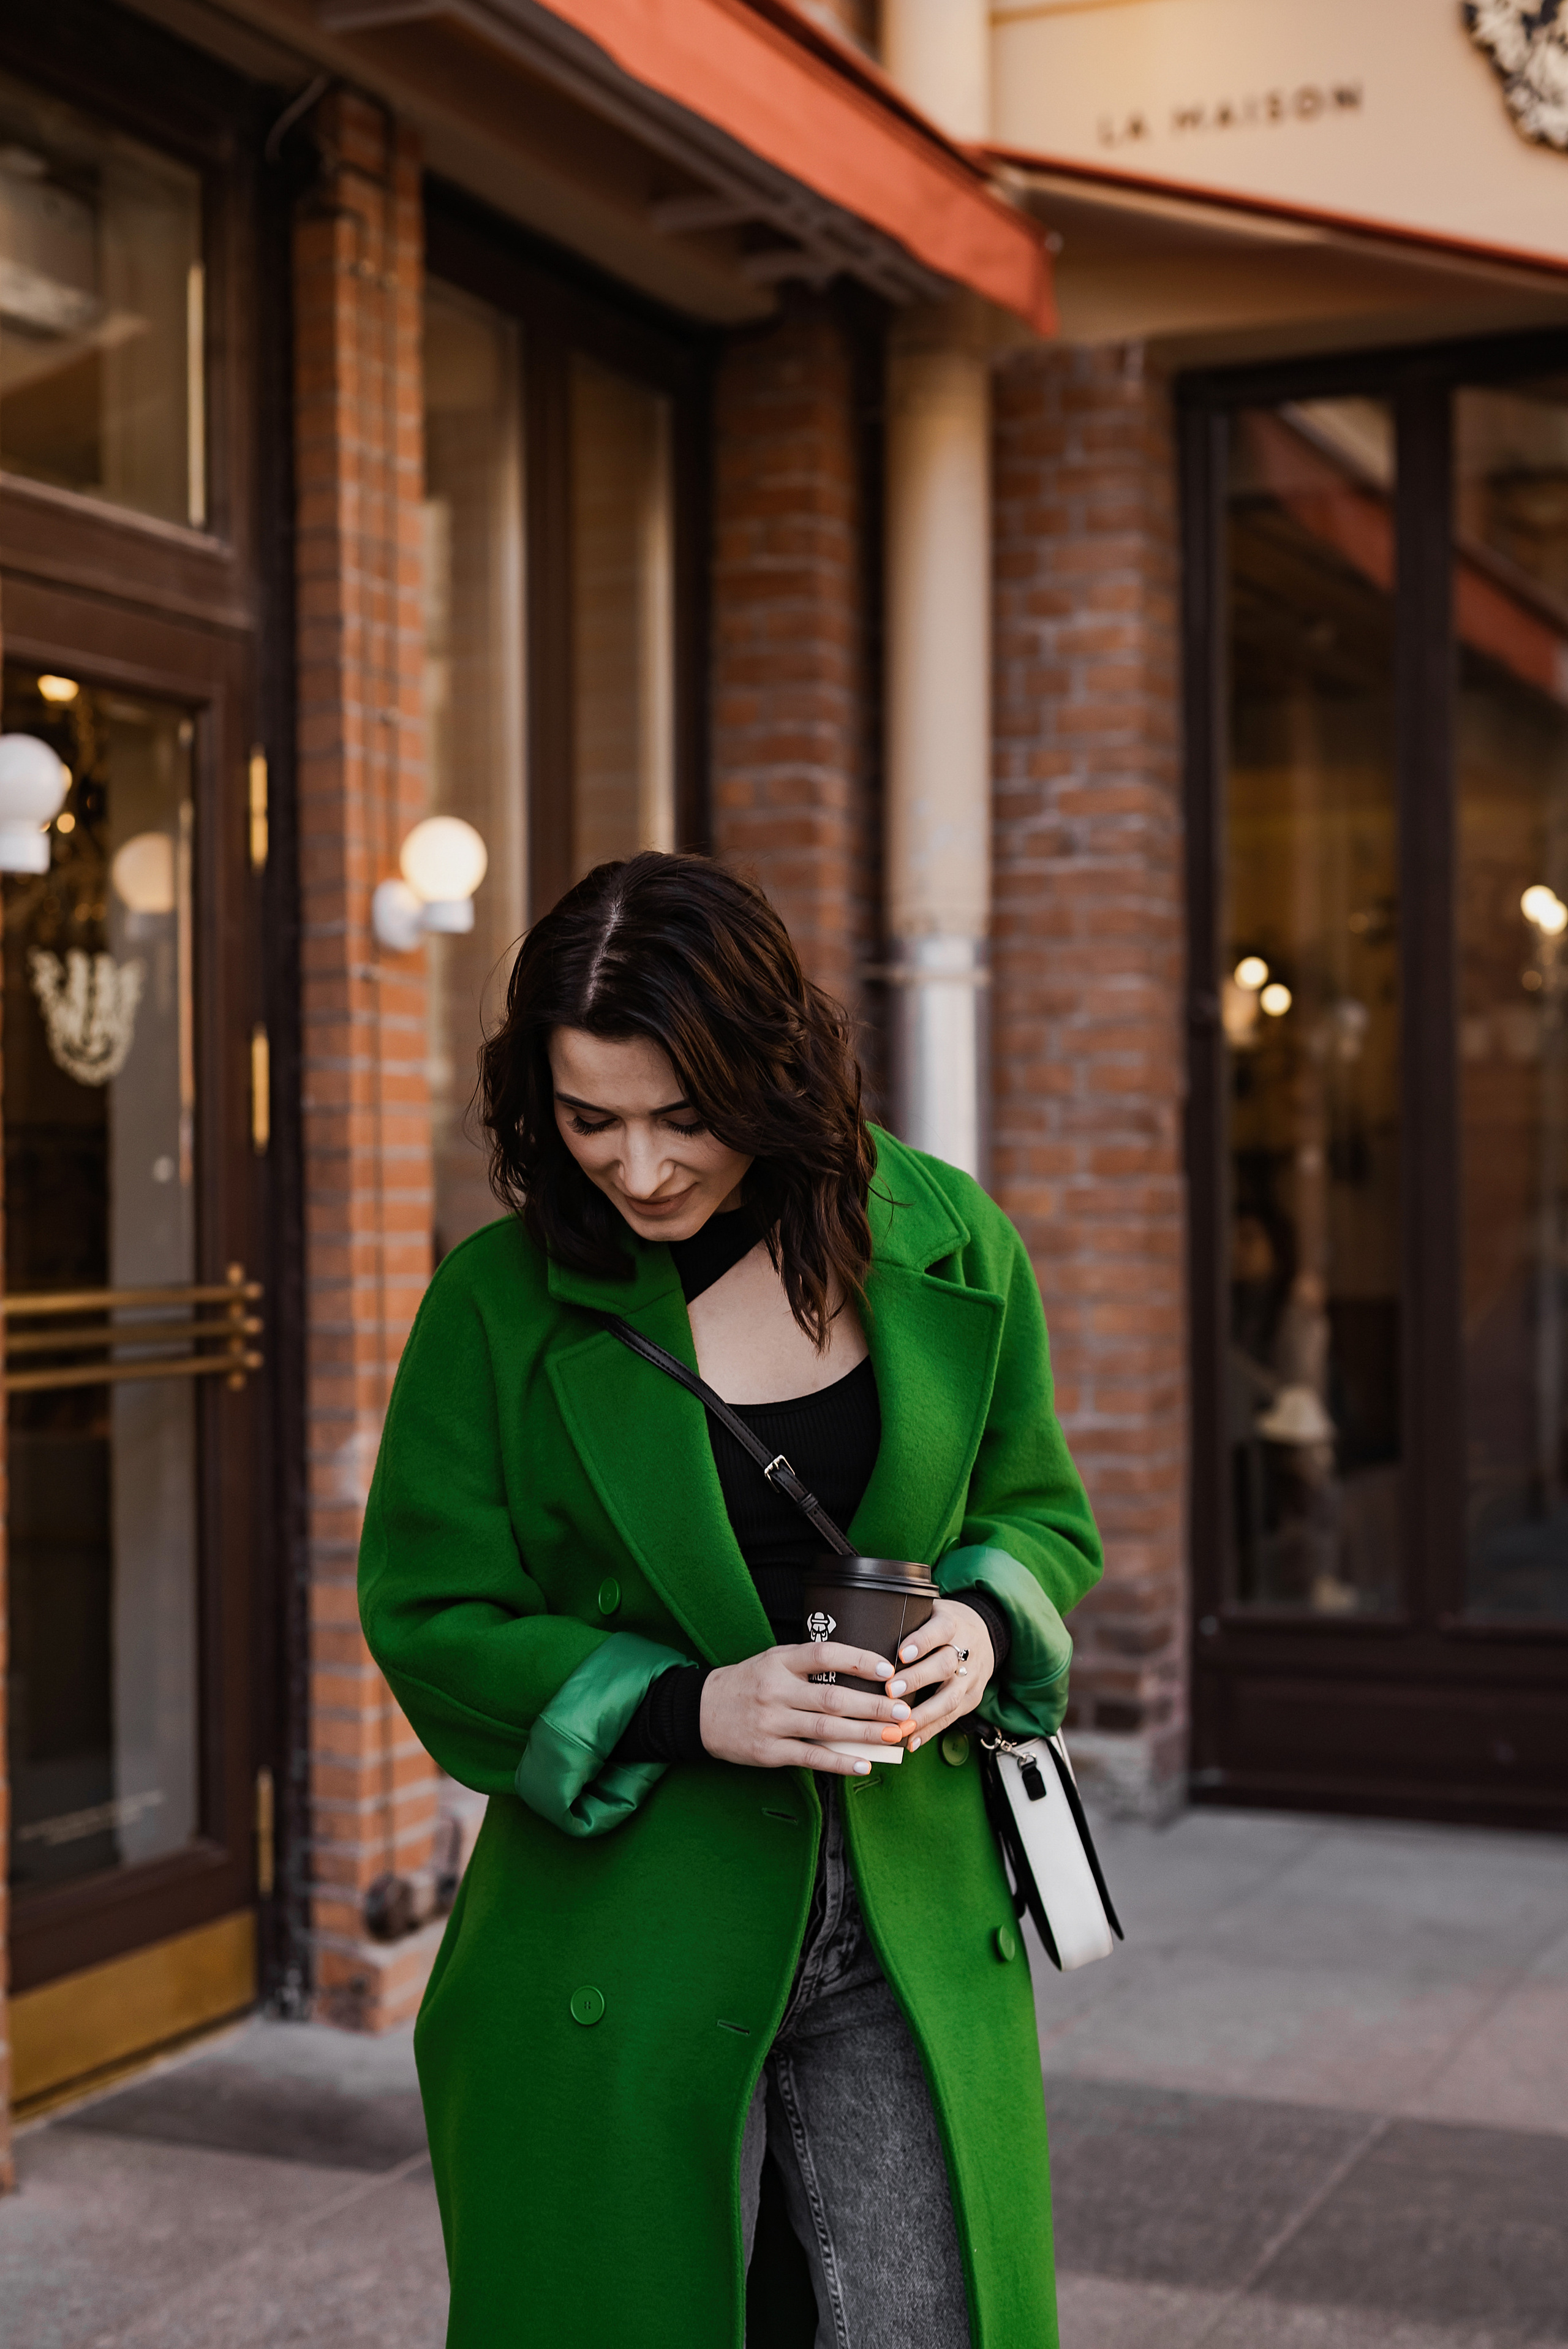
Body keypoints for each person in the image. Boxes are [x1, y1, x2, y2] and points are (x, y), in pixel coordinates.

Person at [359, 850, 1102, 2349]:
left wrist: (982, 1621)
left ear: (766, 1074)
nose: (636, 1169)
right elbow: (429, 1611)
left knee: (927, 2319)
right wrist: (692, 1703)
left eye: (680, 1118)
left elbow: (1038, 1515)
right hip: (623, 1914)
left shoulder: (949, 1240)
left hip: (907, 1897)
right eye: (589, 1121)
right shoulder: (496, 1303)